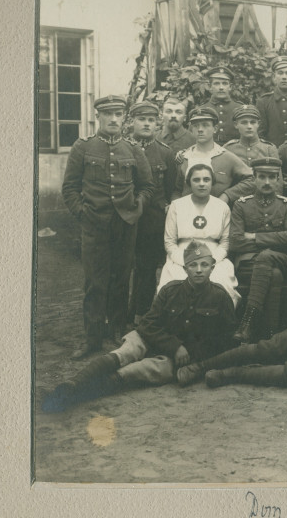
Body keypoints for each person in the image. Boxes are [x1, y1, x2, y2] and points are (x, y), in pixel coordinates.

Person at [42, 242, 237, 412]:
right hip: (153, 338)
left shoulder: (221, 298)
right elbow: (147, 324)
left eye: (204, 264)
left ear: (212, 267)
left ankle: (74, 396)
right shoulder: (170, 291)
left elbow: (223, 341)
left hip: (182, 358)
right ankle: (71, 385)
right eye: (193, 265)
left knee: (137, 371)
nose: (199, 270)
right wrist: (174, 345)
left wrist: (189, 356)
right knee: (124, 352)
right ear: (185, 269)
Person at [61, 94, 154, 359]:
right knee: (94, 282)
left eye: (118, 114)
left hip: (125, 225)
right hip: (94, 225)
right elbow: (69, 188)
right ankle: (92, 338)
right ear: (98, 117)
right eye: (108, 114)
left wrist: (136, 208)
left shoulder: (133, 149)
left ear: (124, 118)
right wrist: (82, 213)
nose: (113, 119)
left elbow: (147, 186)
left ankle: (115, 332)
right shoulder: (83, 147)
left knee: (121, 279)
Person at [229, 157, 287, 344]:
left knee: (268, 258)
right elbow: (235, 241)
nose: (267, 182)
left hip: (282, 259)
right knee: (273, 273)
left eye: (272, 177)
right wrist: (275, 240)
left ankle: (247, 325)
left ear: (278, 179)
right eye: (262, 177)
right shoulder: (241, 204)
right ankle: (270, 336)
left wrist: (254, 237)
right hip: (248, 262)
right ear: (254, 177)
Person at [159, 164, 240, 305]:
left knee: (221, 282)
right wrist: (184, 261)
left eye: (206, 179)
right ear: (189, 182)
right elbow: (170, 242)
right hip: (182, 255)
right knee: (174, 283)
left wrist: (211, 261)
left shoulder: (222, 207)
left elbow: (225, 242)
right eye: (196, 180)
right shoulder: (177, 205)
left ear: (212, 182)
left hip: (214, 256)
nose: (202, 184)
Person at [128, 100, 178, 321]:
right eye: (142, 119)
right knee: (122, 269)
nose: (147, 124)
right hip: (125, 218)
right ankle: (121, 315)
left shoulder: (166, 154)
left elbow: (170, 189)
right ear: (131, 122)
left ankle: (140, 315)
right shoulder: (122, 148)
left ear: (158, 124)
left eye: (151, 120)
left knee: (147, 269)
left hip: (152, 221)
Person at [173, 105, 255, 203]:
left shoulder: (226, 157)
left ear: (215, 129)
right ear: (191, 129)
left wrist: (227, 195)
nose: (200, 129)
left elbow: (252, 179)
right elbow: (177, 190)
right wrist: (175, 204)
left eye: (205, 125)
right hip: (188, 213)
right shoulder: (184, 157)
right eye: (196, 126)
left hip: (217, 213)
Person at [206, 65, 241, 145]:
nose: (221, 87)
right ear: (209, 86)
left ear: (230, 87)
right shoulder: (203, 109)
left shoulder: (239, 109)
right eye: (217, 83)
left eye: (225, 83)